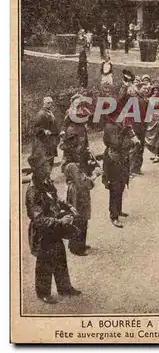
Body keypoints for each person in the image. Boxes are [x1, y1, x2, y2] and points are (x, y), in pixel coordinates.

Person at [26, 147, 81, 304]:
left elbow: (55, 199)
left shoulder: (46, 182)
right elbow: (39, 219)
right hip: (43, 232)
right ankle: (43, 292)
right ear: (36, 170)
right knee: (44, 262)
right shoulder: (33, 191)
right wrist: (61, 222)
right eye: (45, 166)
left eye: (48, 165)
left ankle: (64, 287)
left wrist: (67, 206)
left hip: (54, 227)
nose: (49, 168)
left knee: (59, 256)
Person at [63, 137, 101, 256]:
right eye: (78, 147)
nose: (81, 149)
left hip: (80, 191)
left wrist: (91, 165)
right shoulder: (72, 165)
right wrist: (95, 175)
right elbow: (83, 182)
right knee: (79, 218)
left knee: (82, 217)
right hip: (77, 192)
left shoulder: (75, 163)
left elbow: (84, 174)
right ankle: (76, 247)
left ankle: (80, 243)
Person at [102, 115, 139, 228]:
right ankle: (114, 216)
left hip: (123, 159)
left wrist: (132, 137)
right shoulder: (109, 127)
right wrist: (125, 133)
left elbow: (133, 140)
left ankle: (118, 210)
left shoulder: (123, 125)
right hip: (113, 160)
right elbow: (116, 144)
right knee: (115, 187)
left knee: (122, 185)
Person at [32, 96, 60, 168]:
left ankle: (48, 177)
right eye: (48, 103)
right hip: (44, 141)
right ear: (44, 102)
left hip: (51, 140)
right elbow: (35, 127)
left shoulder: (50, 112)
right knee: (45, 160)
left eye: (51, 103)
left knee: (51, 158)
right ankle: (44, 177)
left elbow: (53, 125)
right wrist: (44, 131)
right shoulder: (40, 113)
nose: (49, 104)